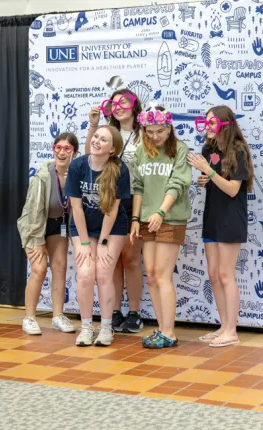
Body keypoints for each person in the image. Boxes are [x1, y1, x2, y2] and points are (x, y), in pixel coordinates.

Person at [188, 106, 253, 347]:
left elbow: (233, 189)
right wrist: (205, 178)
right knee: (214, 275)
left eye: (212, 122)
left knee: (226, 274)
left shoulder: (238, 151)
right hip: (212, 216)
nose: (207, 126)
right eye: (205, 122)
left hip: (230, 218)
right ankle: (224, 326)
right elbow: (217, 180)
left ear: (225, 124)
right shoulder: (209, 149)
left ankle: (232, 331)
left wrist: (208, 171)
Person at [131, 105, 191, 349]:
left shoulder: (180, 149)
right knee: (153, 275)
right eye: (149, 131)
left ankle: (170, 332)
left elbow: (177, 184)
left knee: (163, 276)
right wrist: (136, 218)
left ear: (169, 128)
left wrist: (160, 211)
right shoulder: (141, 152)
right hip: (147, 219)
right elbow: (138, 187)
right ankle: (162, 328)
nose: (154, 136)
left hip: (170, 217)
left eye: (159, 131)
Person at [85, 89, 144, 334]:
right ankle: (115, 311)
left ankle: (134, 312)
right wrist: (93, 125)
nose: (118, 107)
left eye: (124, 102)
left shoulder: (144, 135)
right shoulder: (108, 133)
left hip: (132, 202)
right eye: (114, 103)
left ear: (134, 106)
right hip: (108, 202)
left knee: (130, 259)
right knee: (113, 262)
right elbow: (90, 156)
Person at [65, 125, 130, 346]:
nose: (96, 141)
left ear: (112, 149)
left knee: (103, 273)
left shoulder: (120, 169)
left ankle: (105, 327)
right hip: (83, 226)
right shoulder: (77, 166)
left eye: (103, 140)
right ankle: (85, 327)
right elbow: (76, 209)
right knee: (85, 274)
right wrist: (84, 242)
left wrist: (102, 241)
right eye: (95, 136)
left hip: (112, 228)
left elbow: (112, 210)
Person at [18, 133, 79, 335]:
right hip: (35, 225)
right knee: (39, 269)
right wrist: (37, 240)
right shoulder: (43, 175)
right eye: (58, 148)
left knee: (60, 268)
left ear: (74, 152)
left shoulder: (75, 174)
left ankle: (57, 316)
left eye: (67, 149)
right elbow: (34, 210)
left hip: (58, 224)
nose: (61, 152)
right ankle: (29, 318)